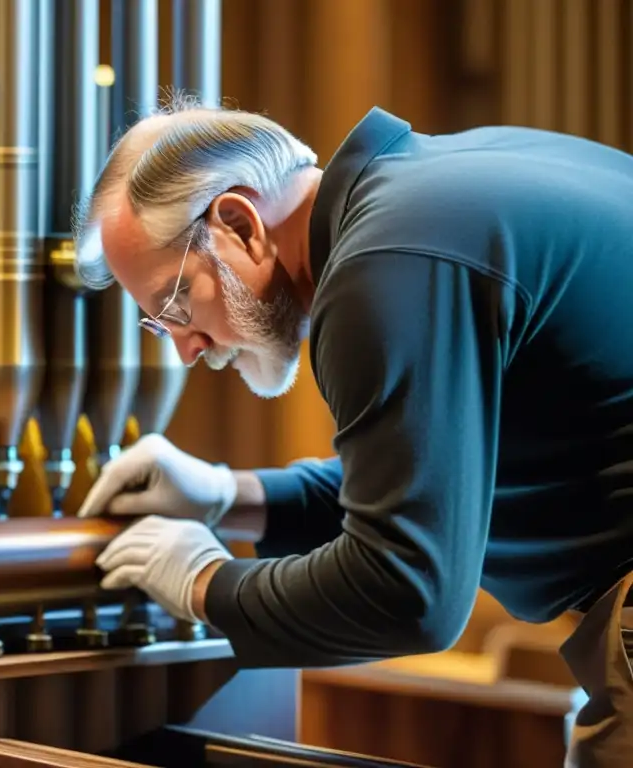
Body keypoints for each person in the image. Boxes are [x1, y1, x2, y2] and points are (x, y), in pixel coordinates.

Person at [72, 97, 633, 767]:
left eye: (175, 303)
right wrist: (233, 496)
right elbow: (430, 478)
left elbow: (406, 590)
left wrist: (203, 584)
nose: (187, 350)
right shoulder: (429, 193)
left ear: (238, 223)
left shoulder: (387, 264)